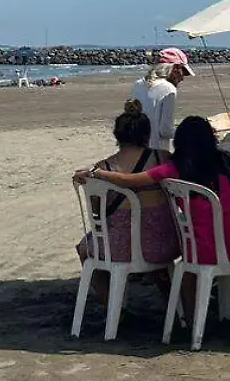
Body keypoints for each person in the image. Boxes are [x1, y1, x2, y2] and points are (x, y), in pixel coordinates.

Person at [79, 115, 230, 324]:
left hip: (207, 245)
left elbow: (131, 180)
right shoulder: (226, 161)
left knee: (187, 275)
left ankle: (191, 320)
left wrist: (96, 173)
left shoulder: (176, 167)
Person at [73, 104, 180, 267]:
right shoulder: (163, 158)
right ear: (147, 134)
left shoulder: (103, 168)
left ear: (117, 135)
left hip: (120, 250)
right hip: (167, 244)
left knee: (84, 249)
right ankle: (166, 289)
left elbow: (97, 211)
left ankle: (106, 293)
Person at [129, 47, 193, 153]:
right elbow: (165, 131)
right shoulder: (168, 89)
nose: (182, 78)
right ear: (175, 69)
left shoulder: (138, 84)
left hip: (136, 150)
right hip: (156, 152)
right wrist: (186, 132)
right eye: (183, 72)